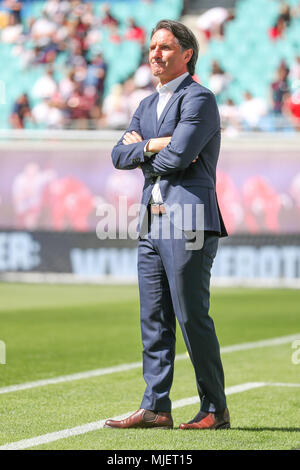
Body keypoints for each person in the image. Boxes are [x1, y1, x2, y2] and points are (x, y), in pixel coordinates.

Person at [105, 20, 229, 431]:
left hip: (189, 218)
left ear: (187, 54)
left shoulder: (201, 99)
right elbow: (117, 156)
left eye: (165, 47)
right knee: (154, 318)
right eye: (152, 47)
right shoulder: (145, 104)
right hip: (150, 220)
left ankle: (214, 409)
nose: (155, 53)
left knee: (191, 315)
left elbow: (177, 160)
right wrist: (157, 144)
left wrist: (142, 149)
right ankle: (156, 407)